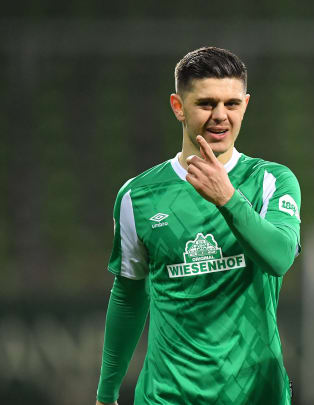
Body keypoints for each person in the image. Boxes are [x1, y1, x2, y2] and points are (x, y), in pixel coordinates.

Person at [95, 47, 301, 405]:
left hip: (255, 395)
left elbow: (280, 257)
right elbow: (128, 298)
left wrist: (228, 199)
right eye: (206, 103)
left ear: (246, 105)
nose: (220, 116)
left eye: (232, 104)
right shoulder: (138, 196)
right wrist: (106, 394)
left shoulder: (269, 180)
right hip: (166, 396)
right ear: (178, 106)